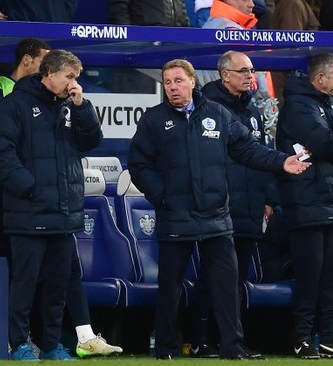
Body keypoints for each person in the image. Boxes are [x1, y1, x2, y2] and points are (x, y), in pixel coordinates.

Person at [127, 58, 310, 360]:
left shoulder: (217, 114)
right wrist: (163, 196)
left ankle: (232, 346)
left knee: (226, 285)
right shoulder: (153, 120)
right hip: (176, 215)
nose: (173, 87)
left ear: (192, 81)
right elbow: (139, 165)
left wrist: (280, 161)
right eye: (168, 82)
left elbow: (247, 149)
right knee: (169, 287)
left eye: (178, 80)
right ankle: (165, 348)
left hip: (215, 216)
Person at [0, 39, 122, 359]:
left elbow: (91, 140)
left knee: (56, 286)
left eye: (77, 77)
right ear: (48, 74)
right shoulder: (16, 105)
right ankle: (18, 343)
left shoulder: (70, 107)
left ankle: (52, 345)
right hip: (29, 211)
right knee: (23, 285)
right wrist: (31, 188)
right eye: (69, 76)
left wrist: (83, 108)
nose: (73, 83)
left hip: (64, 213)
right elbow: (1, 154)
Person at [275, 53, 333, 360]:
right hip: (305, 202)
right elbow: (328, 143)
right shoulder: (298, 107)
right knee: (310, 277)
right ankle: (301, 337)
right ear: (320, 78)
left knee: (331, 279)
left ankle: (329, 338)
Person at [189, 50, 276, 358]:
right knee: (211, 275)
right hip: (220, 207)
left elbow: (263, 154)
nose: (250, 75)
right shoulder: (207, 109)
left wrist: (269, 197)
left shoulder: (252, 111)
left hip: (251, 205)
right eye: (243, 71)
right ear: (224, 75)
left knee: (237, 279)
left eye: (251, 70)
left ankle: (231, 341)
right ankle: (200, 340)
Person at [107, 0, 189, 27]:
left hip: (176, 41)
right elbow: (119, 7)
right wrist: (128, 39)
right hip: (145, 42)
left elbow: (181, 7)